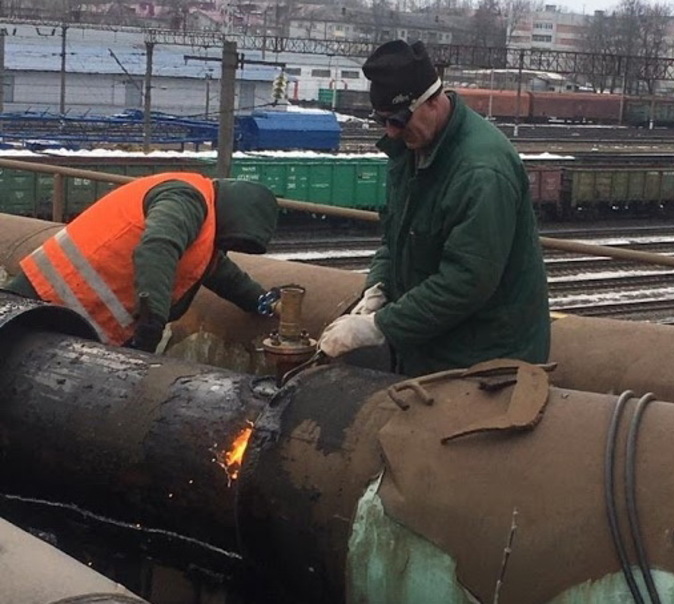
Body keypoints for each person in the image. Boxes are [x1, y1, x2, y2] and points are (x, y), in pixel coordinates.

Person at [318, 39, 550, 377]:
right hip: (438, 343)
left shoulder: (481, 171)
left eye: (397, 120)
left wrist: (380, 326)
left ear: (430, 100)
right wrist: (378, 286)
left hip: (486, 361)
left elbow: (467, 280)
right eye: (382, 121)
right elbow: (397, 237)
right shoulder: (415, 148)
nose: (391, 132)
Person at [5, 172, 281, 352]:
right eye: (233, 241)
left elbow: (219, 271)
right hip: (44, 301)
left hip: (75, 317)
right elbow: (157, 248)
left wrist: (261, 301)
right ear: (233, 216)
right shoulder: (186, 198)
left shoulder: (203, 227)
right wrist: (153, 318)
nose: (227, 248)